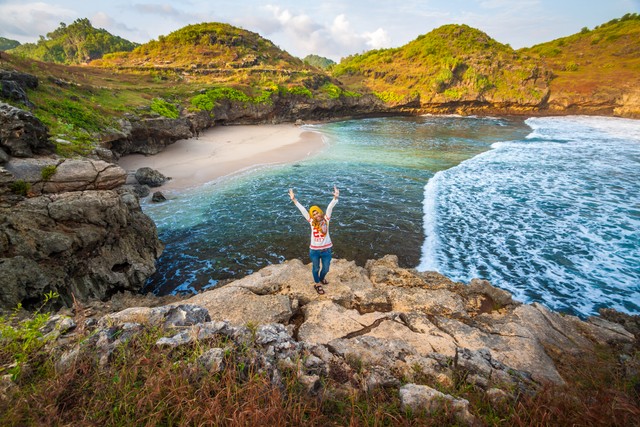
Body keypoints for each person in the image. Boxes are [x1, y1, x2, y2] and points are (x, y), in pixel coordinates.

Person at [288, 186, 339, 294]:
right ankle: (317, 284)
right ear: (312, 215)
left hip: (326, 250)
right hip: (314, 250)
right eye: (313, 213)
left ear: (320, 212)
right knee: (315, 268)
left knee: (326, 268)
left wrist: (335, 198)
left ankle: (321, 278)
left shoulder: (326, 220)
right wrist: (294, 200)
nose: (316, 215)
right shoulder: (311, 221)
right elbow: (302, 210)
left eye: (317, 212)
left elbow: (330, 208)